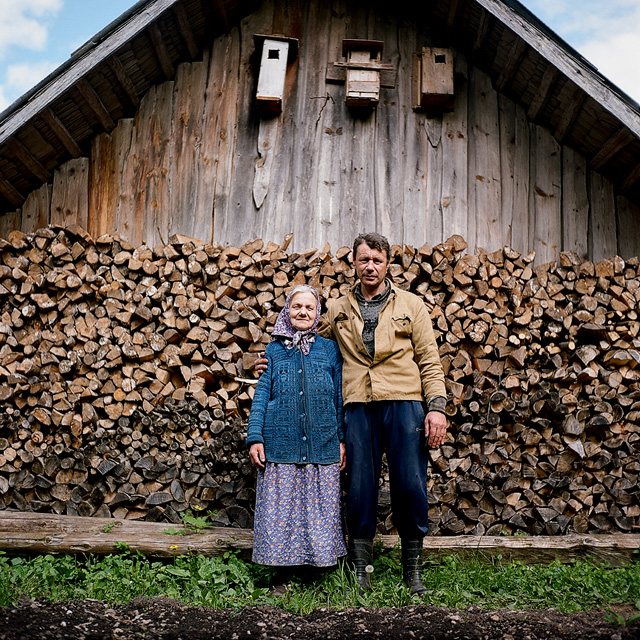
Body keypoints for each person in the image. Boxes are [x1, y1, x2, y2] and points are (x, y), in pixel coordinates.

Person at [256, 232, 448, 595]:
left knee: (410, 484)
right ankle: (361, 569)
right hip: (358, 405)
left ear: (387, 263)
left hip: (405, 402)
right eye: (364, 259)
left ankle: (413, 571)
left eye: (377, 260)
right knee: (360, 487)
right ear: (354, 264)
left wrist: (435, 408)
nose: (370, 266)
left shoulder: (411, 305)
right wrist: (276, 356)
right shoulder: (339, 308)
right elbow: (309, 338)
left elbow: (430, 360)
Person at [246, 284, 347, 578]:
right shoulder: (274, 350)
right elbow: (262, 394)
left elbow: (338, 398)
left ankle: (317, 571)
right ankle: (280, 573)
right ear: (286, 310)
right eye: (296, 306)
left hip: (322, 444)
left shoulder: (329, 350)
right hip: (280, 444)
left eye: (309, 307)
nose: (302, 312)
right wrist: (255, 437)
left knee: (319, 511)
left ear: (318, 314)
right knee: (280, 512)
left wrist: (341, 439)